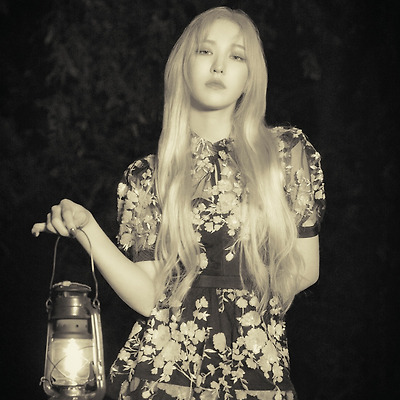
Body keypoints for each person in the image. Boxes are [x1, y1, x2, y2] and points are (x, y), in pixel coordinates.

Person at [32, 7, 325, 400]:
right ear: (183, 66)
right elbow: (147, 297)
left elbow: (305, 270)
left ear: (250, 78)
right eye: (205, 51)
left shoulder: (286, 154)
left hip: (256, 373)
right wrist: (87, 229)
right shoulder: (147, 176)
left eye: (236, 56)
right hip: (161, 376)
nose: (219, 66)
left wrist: (243, 310)